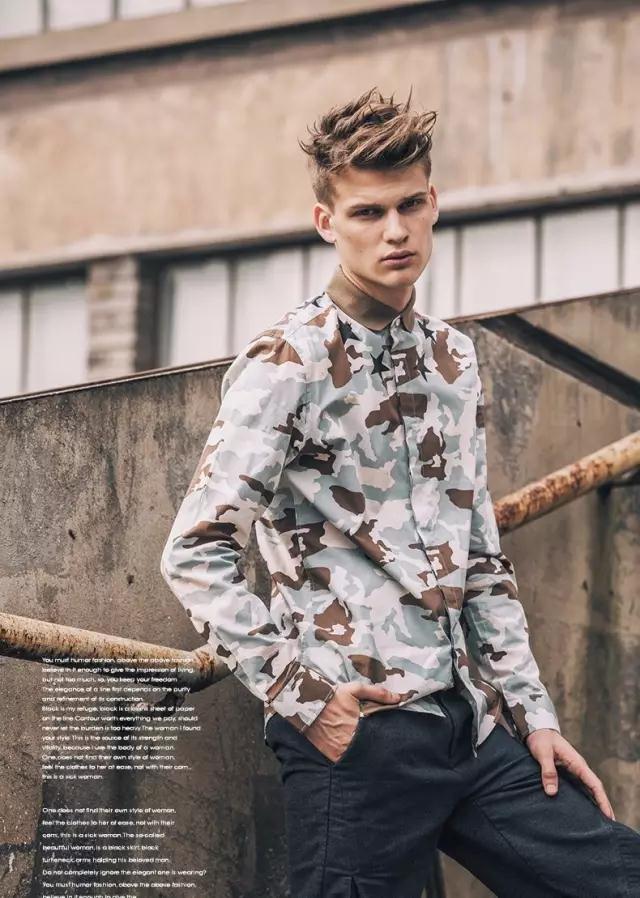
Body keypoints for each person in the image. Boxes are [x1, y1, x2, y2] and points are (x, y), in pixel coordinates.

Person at [160, 88, 640, 897]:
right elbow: (194, 552)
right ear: (327, 223)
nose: (395, 231)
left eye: (410, 206)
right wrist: (305, 699)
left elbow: (480, 557)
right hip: (361, 733)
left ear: (434, 203)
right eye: (368, 212)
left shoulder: (453, 359)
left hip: (472, 726)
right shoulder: (288, 362)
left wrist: (534, 716)